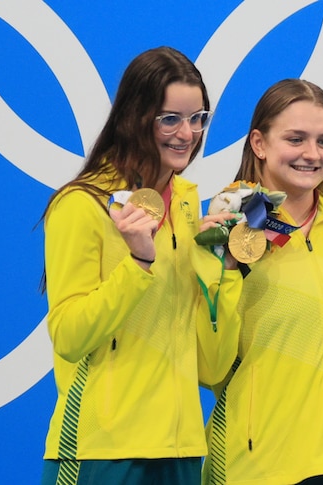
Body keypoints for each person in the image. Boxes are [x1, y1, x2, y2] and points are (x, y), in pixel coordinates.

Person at [40, 46, 242, 484]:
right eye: (170, 119)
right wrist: (136, 262)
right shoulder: (82, 204)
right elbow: (69, 336)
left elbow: (211, 368)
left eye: (197, 118)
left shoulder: (190, 206)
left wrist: (221, 272)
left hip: (182, 450)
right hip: (101, 450)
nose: (186, 134)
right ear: (134, 118)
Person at [201, 79, 323, 485]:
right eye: (296, 139)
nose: (312, 154)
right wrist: (230, 267)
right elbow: (208, 365)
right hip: (262, 464)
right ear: (259, 143)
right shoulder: (224, 231)